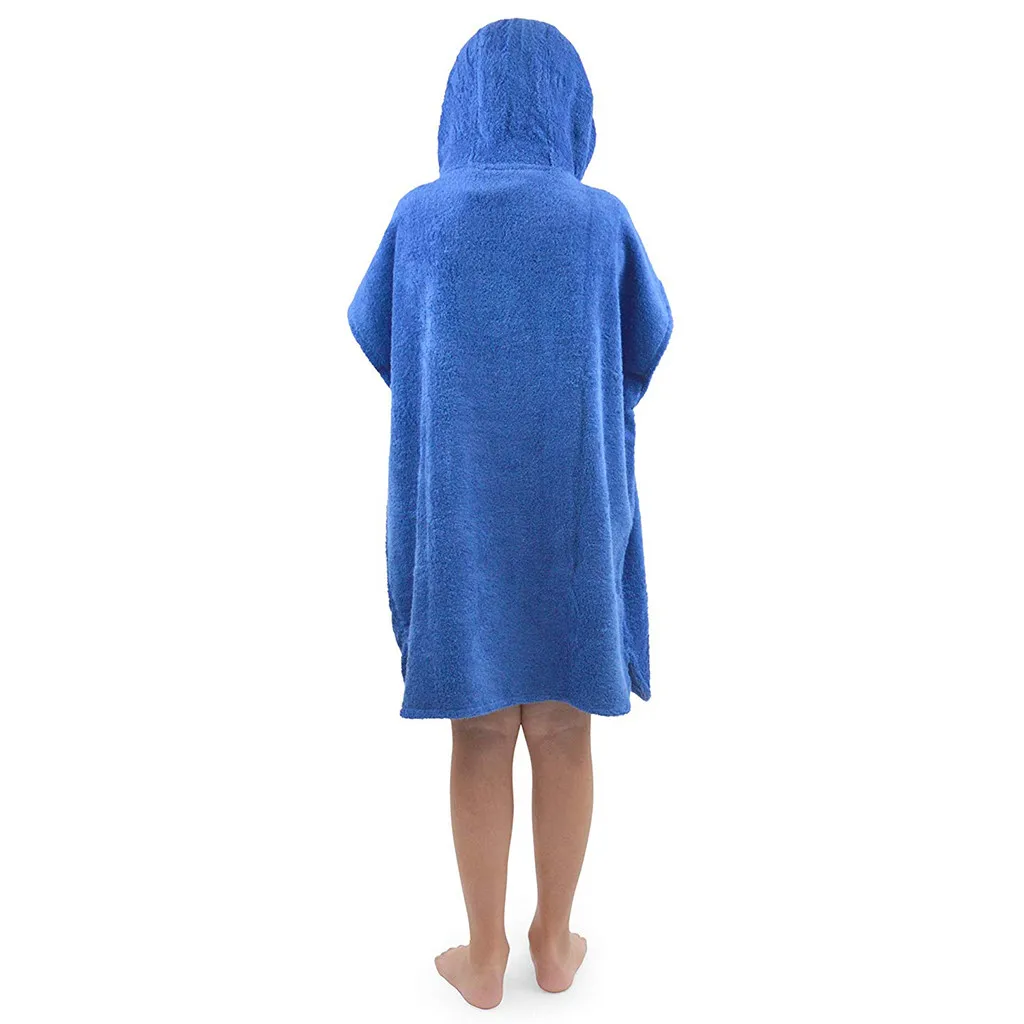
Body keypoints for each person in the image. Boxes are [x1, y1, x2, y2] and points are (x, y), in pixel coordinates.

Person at [348, 18, 673, 1009]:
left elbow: (381, 338)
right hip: (574, 509)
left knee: (481, 733)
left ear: (462, 105)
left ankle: (485, 954)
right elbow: (647, 343)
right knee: (566, 728)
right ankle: (555, 943)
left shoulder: (420, 219)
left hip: (461, 516)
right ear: (570, 109)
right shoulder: (599, 221)